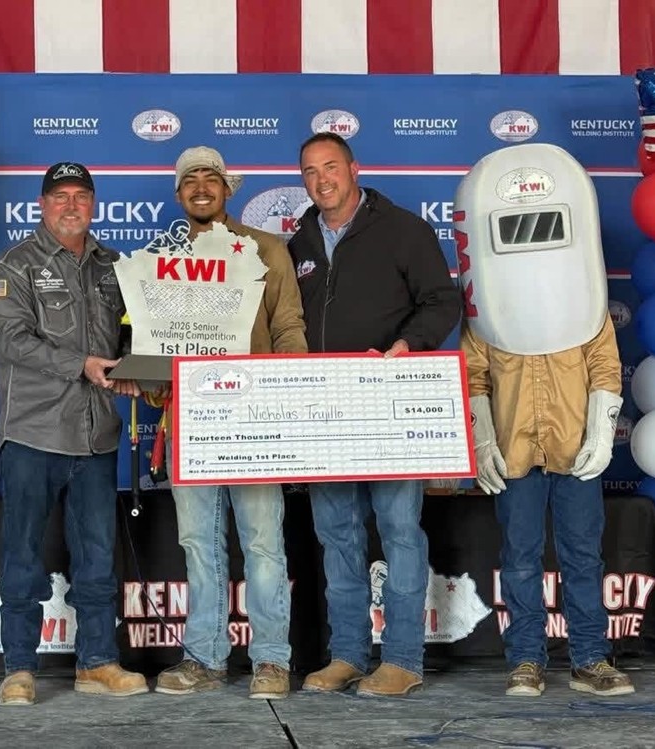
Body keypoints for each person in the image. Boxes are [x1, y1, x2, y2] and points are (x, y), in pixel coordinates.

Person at [455, 142, 636, 698]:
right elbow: (474, 374)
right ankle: (526, 661)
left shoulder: (583, 305)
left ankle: (590, 658)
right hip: (514, 453)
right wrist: (483, 440)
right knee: (519, 559)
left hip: (574, 450)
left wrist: (601, 432)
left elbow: (605, 365)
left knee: (583, 556)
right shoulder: (487, 311)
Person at [286, 132, 462, 697]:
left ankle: (403, 659)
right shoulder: (300, 241)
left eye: (331, 167)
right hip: (323, 410)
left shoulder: (403, 229)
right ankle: (348, 655)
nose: (322, 180)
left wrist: (407, 346)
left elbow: (442, 300)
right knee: (337, 535)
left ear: (354, 168)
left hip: (388, 406)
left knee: (399, 531)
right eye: (310, 171)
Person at [0, 161, 147, 707]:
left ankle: (97, 662)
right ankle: (19, 668)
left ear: (94, 204)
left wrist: (136, 368)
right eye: (60, 196)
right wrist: (81, 364)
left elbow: (133, 335)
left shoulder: (115, 266)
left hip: (97, 434)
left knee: (98, 556)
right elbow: (12, 341)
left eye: (81, 195)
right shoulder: (16, 263)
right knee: (23, 555)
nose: (71, 205)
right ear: (42, 205)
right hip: (33, 432)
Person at [153, 146, 309, 700]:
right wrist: (149, 379)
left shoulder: (267, 250)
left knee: (263, 542)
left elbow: (288, 327)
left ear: (227, 189)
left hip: (253, 417)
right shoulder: (162, 256)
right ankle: (205, 657)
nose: (201, 187)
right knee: (198, 543)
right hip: (189, 418)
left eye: (211, 179)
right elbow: (150, 338)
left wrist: (287, 397)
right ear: (179, 194)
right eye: (190, 180)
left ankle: (271, 659)